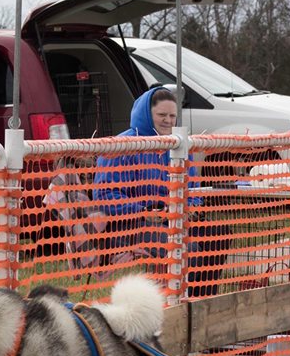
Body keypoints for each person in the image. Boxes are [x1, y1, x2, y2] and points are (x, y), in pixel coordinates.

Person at [93, 87, 229, 294]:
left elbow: (191, 190)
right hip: (131, 225)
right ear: (147, 114)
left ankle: (201, 299)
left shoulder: (180, 146)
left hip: (173, 218)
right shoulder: (120, 146)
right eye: (161, 115)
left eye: (172, 116)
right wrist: (146, 211)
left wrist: (188, 207)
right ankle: (174, 301)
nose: (168, 120)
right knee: (184, 249)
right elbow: (105, 195)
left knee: (218, 235)